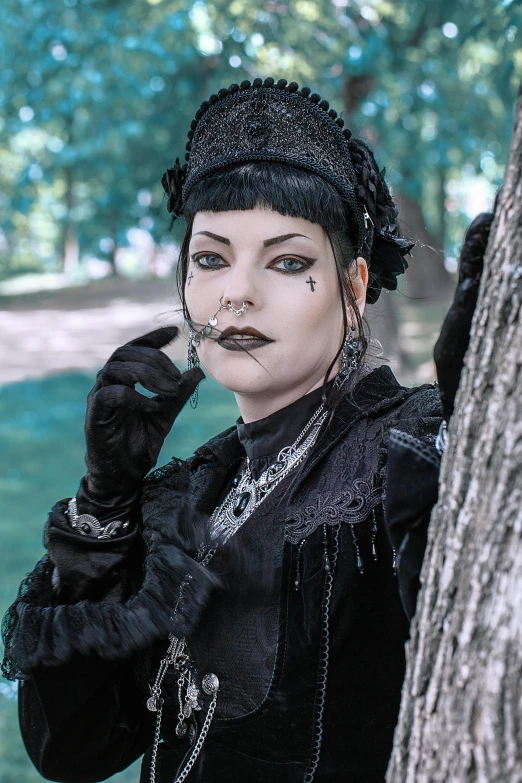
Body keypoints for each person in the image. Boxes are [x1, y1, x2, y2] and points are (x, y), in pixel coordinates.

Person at [2, 77, 493, 783]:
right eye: (211, 258)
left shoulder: (401, 451)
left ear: (354, 289)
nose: (237, 291)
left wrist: (468, 436)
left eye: (288, 261)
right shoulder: (196, 489)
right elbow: (71, 749)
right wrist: (104, 508)